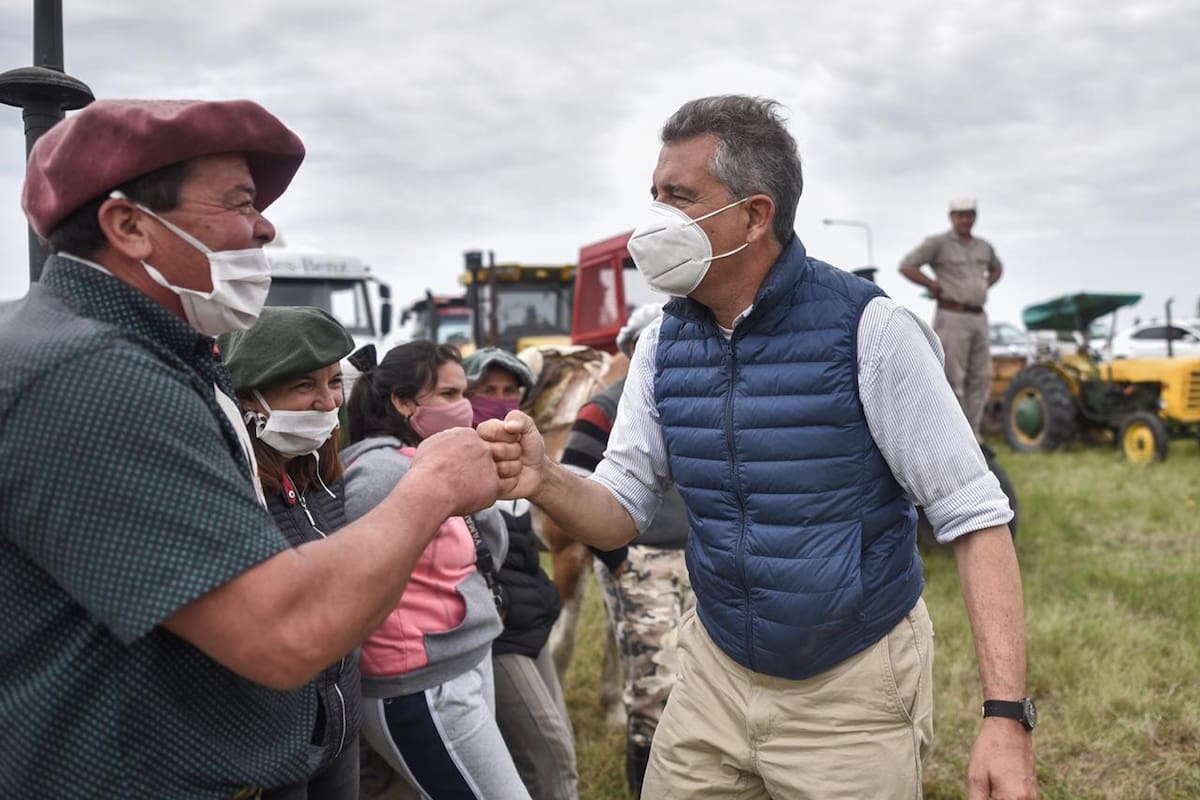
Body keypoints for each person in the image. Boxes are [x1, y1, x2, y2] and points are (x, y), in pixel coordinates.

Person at [482, 95, 1038, 800]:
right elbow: (621, 509)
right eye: (653, 195)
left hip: (851, 685)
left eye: (679, 198)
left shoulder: (871, 332)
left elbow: (975, 517)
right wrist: (544, 478)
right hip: (714, 672)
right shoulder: (660, 346)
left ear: (754, 215)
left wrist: (1005, 719)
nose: (654, 219)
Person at [0, 99, 500, 799]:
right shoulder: (94, 376)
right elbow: (283, 631)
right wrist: (433, 484)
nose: (265, 225)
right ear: (129, 226)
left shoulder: (139, 354)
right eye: (240, 201)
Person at [342, 342, 530, 800]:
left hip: (462, 661)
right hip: (421, 683)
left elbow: (486, 549)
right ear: (403, 402)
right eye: (447, 395)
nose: (462, 406)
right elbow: (353, 578)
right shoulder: (381, 473)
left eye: (463, 393)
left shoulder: (428, 458)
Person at [219, 306, 362, 799]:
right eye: (304, 387)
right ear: (248, 399)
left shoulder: (320, 475)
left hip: (340, 727)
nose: (327, 403)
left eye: (334, 382)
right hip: (272, 752)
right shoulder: (233, 491)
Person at [559, 304, 694, 797]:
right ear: (635, 348)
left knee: (699, 683)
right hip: (640, 563)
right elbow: (571, 484)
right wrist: (616, 559)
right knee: (654, 687)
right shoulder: (606, 407)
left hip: (700, 561)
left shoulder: (696, 396)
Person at [461, 348, 578, 800]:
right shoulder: (458, 465)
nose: (500, 399)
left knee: (557, 743)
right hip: (499, 637)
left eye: (510, 390)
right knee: (552, 755)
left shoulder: (523, 463)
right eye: (486, 390)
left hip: (530, 628)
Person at [899, 197, 1004, 437]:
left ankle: (973, 434)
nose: (965, 219)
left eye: (969, 215)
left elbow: (998, 268)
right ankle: (951, 436)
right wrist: (932, 284)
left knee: (981, 376)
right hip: (952, 316)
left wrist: (984, 285)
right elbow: (907, 265)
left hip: (978, 316)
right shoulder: (938, 243)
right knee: (952, 377)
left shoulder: (983, 247)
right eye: (960, 215)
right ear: (952, 217)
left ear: (975, 217)